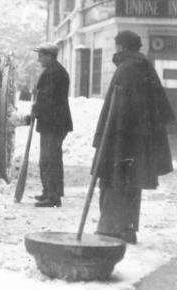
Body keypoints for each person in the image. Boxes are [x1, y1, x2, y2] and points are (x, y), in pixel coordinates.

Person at [93, 30, 174, 244]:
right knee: (131, 184)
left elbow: (117, 109)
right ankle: (127, 229)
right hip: (137, 141)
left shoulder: (127, 68)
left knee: (112, 181)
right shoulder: (144, 66)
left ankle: (110, 229)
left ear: (122, 46)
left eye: (116, 44)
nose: (116, 48)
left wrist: (106, 137)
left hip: (121, 139)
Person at [32, 42, 73, 207]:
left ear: (49, 56)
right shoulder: (52, 71)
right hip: (51, 122)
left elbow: (49, 99)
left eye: (41, 56)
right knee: (47, 159)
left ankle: (53, 196)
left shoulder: (55, 73)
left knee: (51, 159)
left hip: (54, 123)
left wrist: (37, 109)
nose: (38, 59)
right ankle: (48, 191)